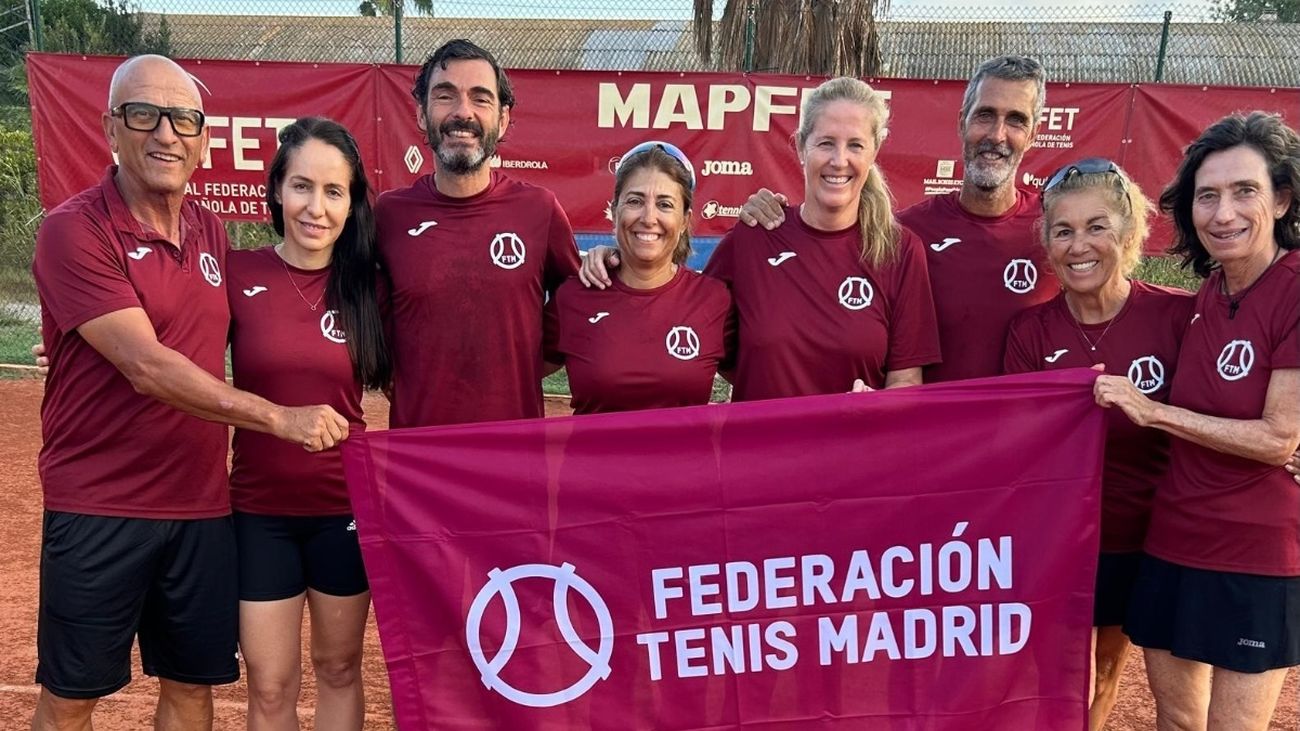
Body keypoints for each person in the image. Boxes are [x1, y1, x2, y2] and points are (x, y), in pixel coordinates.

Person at [29, 55, 347, 731]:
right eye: (144, 114)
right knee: (71, 698)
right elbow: (147, 364)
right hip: (100, 506)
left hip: (202, 511)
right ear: (111, 126)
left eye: (184, 119)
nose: (165, 133)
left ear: (203, 140)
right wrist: (278, 418)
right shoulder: (73, 228)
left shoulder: (212, 231)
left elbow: (255, 327)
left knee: (191, 689)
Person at [1095, 112, 1300, 730]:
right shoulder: (1210, 292)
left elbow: (1278, 438)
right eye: (1207, 196)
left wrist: (1153, 413)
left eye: (1245, 192)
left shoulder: (1294, 287)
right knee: (1177, 721)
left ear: (1283, 198)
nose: (1223, 213)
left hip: (1254, 555)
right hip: (1173, 539)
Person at [707, 55, 1057, 383]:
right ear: (801, 147)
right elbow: (702, 342)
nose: (997, 134)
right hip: (922, 445)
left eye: (1016, 119)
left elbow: (1099, 316)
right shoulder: (906, 234)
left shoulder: (1057, 235)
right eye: (985, 115)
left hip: (1019, 443)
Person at [1003, 158, 1193, 731]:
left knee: (1111, 671)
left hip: (1152, 539)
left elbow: (1223, 408)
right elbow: (1015, 443)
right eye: (1063, 231)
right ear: (1047, 243)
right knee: (1055, 676)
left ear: (1130, 233)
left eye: (1097, 227)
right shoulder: (1030, 332)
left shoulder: (1178, 316)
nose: (1078, 245)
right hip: (1062, 542)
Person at [225, 118, 389, 730]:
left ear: (351, 204)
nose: (315, 207)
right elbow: (170, 344)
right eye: (301, 186)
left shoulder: (371, 289)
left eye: (333, 191)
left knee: (339, 668)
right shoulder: (237, 273)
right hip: (259, 512)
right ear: (275, 191)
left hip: (345, 509)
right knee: (269, 687)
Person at [375, 39, 581, 428]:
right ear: (421, 113)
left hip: (512, 459)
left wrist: (518, 362)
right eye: (445, 96)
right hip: (418, 460)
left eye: (480, 98)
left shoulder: (539, 210)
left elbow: (578, 304)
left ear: (502, 119)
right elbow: (362, 306)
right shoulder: (388, 214)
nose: (462, 112)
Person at [706, 76, 939, 399]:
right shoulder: (754, 236)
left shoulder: (900, 251)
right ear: (802, 147)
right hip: (758, 448)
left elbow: (907, 381)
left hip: (852, 448)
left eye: (855, 145)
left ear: (875, 151)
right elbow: (684, 318)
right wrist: (613, 263)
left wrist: (877, 402)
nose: (839, 160)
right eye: (826, 143)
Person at [543, 141, 732, 414]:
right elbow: (510, 377)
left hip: (688, 459)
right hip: (589, 458)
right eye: (635, 201)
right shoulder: (575, 296)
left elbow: (769, 383)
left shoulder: (715, 299)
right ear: (615, 210)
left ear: (684, 219)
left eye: (665, 204)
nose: (648, 217)